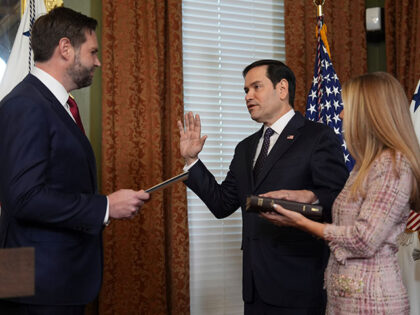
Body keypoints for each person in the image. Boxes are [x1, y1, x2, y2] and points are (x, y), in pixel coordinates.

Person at [0, 7, 149, 314]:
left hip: (47, 280)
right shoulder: (26, 105)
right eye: (92, 51)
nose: (98, 61)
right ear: (65, 48)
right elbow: (23, 198)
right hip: (37, 286)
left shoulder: (51, 103)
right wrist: (106, 206)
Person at [178, 59, 349, 314]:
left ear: (282, 89)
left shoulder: (318, 137)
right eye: (245, 90)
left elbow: (337, 199)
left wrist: (307, 198)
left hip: (299, 285)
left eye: (256, 87)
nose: (248, 96)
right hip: (255, 288)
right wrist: (192, 160)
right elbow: (222, 204)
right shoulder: (245, 148)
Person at [261, 72, 420, 314]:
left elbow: (363, 239)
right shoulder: (365, 163)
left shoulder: (392, 165)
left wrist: (302, 223)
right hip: (345, 298)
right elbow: (352, 211)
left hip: (373, 302)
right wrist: (307, 197)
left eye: (348, 107)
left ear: (370, 112)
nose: (341, 114)